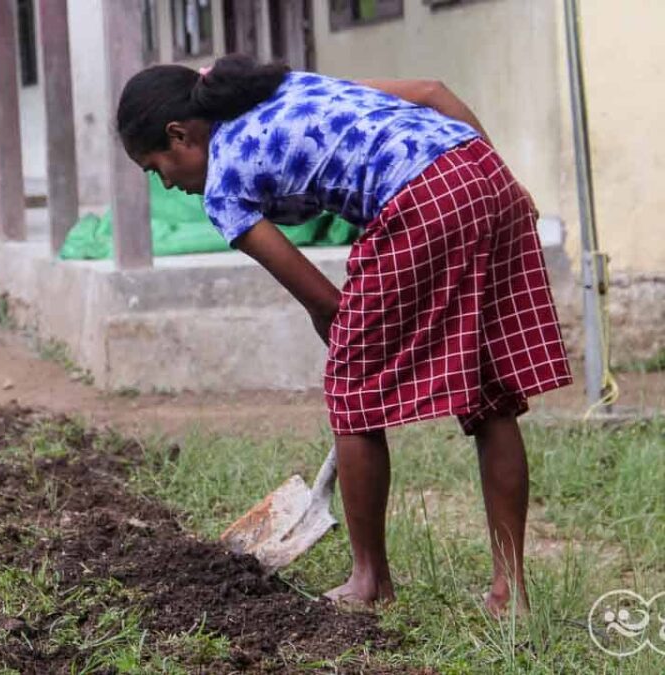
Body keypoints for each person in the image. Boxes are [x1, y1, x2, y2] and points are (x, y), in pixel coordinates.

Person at [115, 55, 572, 616]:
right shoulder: (284, 87)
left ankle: (369, 581)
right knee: (489, 391)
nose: (167, 183)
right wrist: (505, 180)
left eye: (156, 167)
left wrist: (347, 342)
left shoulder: (223, 183)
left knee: (353, 397)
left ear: (179, 134)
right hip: (483, 172)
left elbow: (324, 300)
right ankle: (511, 594)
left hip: (419, 201)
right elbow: (432, 88)